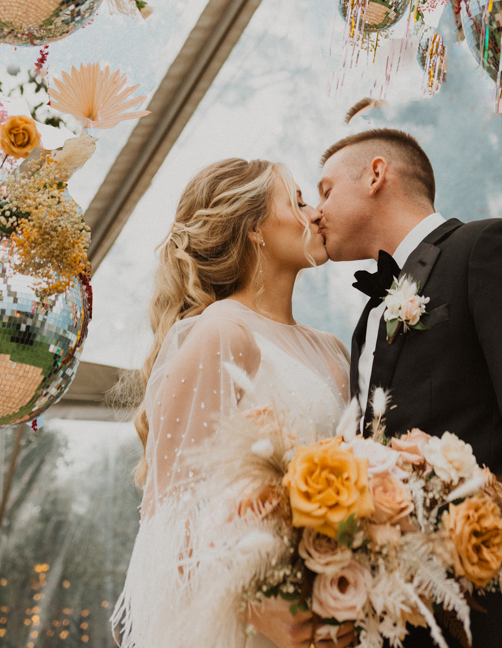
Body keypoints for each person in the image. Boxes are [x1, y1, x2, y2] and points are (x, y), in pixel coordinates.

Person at [316, 128, 502, 648]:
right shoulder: (365, 320)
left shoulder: (488, 248)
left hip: (496, 620)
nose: (316, 212)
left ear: (377, 174)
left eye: (326, 190)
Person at [113, 157, 356, 648]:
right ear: (255, 231)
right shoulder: (224, 333)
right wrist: (254, 605)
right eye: (298, 200)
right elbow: (170, 523)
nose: (315, 214)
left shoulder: (332, 350)